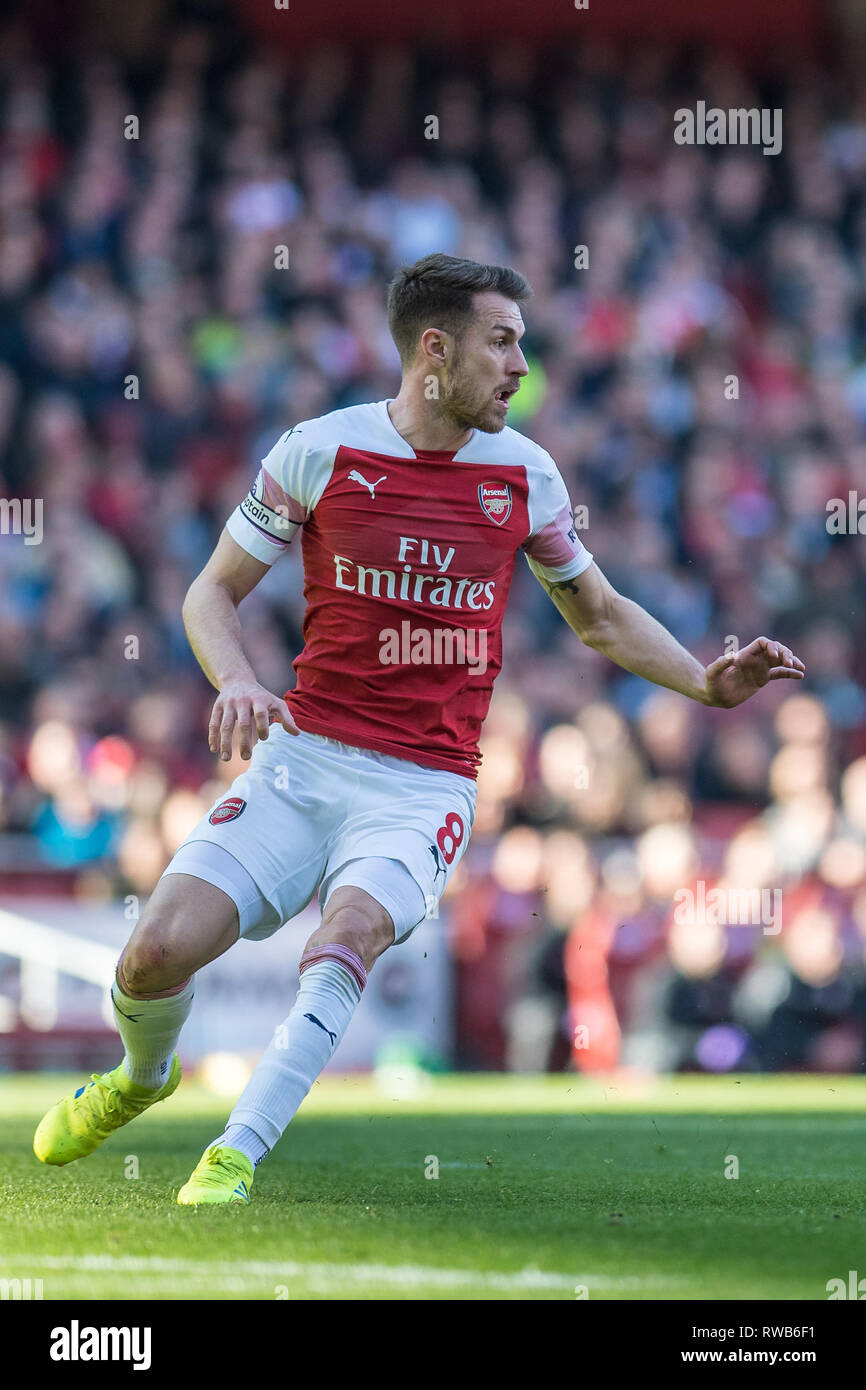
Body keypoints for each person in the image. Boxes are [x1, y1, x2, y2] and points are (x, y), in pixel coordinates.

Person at [32, 253, 805, 1204]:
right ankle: (142, 1078)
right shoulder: (320, 451)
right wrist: (236, 678)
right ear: (433, 351)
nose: (522, 365)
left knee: (345, 937)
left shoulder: (526, 474)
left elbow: (598, 615)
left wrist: (703, 680)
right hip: (299, 762)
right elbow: (211, 591)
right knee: (151, 956)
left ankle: (234, 1154)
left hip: (422, 783)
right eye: (503, 341)